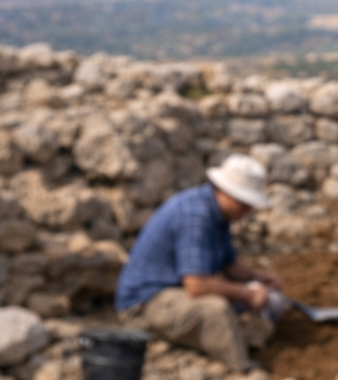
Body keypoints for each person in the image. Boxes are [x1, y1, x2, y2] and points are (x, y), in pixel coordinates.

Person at [115, 154, 287, 371]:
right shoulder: (195, 216)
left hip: (175, 292)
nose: (248, 211)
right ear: (225, 192)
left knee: (272, 301)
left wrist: (256, 278)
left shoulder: (218, 214)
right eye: (244, 204)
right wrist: (247, 293)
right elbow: (197, 285)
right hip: (146, 302)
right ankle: (242, 368)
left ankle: (243, 337)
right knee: (215, 309)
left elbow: (229, 265)